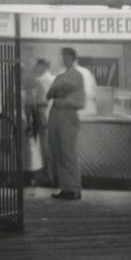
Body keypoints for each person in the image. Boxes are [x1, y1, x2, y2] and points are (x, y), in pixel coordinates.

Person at [46, 46, 87, 200]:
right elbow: (49, 94)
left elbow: (76, 98)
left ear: (71, 57)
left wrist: (59, 91)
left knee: (68, 153)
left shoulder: (77, 75)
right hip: (55, 114)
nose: (63, 58)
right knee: (57, 152)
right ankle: (65, 187)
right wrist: (58, 90)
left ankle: (74, 188)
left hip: (68, 115)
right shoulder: (60, 76)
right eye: (62, 56)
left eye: (65, 56)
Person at [22, 57, 53, 186]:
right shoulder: (36, 82)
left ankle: (45, 177)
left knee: (40, 149)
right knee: (39, 148)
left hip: (41, 118)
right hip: (42, 118)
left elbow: (41, 102)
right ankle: (45, 177)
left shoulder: (38, 82)